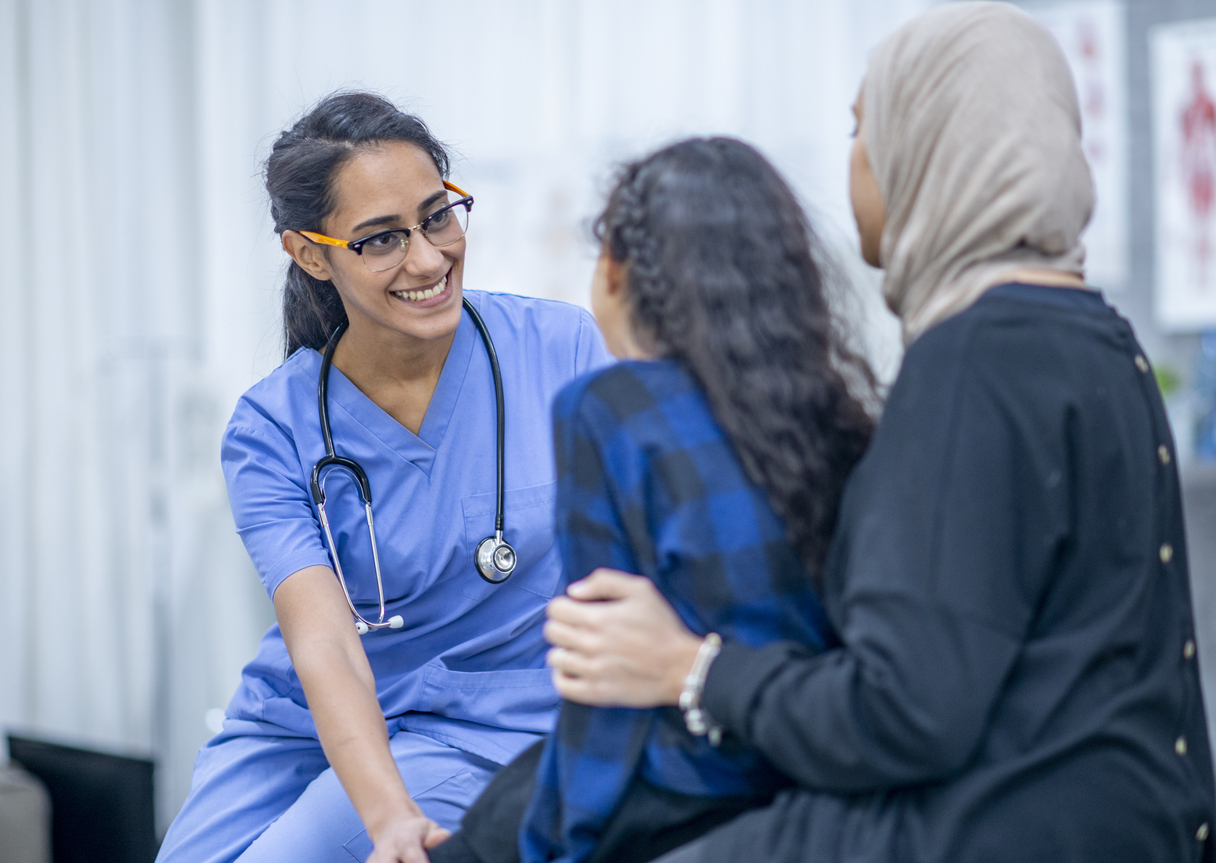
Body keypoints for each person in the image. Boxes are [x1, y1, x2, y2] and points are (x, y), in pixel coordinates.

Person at [542, 4, 1216, 862]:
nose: (855, 161)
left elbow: (900, 713)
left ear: (930, 149)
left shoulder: (975, 359)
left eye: (865, 130)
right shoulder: (1098, 337)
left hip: (993, 825)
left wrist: (691, 668)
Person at [156, 92, 611, 863]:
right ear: (309, 253)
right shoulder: (272, 426)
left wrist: (393, 816)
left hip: (477, 722)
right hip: (304, 717)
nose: (429, 258)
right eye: (381, 239)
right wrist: (386, 813)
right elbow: (325, 640)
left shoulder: (563, 350)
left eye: (438, 216)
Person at [429, 137, 874, 863]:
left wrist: (552, 841)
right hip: (788, 780)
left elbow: (603, 695)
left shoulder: (610, 408)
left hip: (671, 786)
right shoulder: (834, 418)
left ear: (621, 268)